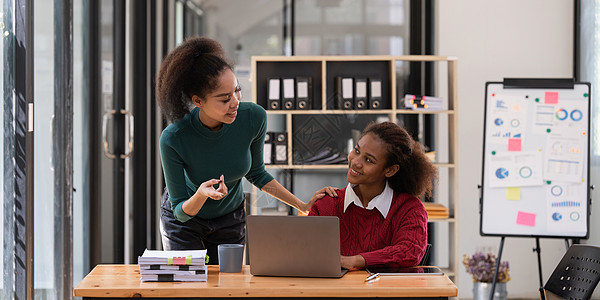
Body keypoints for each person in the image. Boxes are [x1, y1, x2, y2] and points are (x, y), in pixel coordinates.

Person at [156, 36, 323, 264]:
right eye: (224, 99)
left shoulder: (253, 117)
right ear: (198, 101)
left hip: (230, 217)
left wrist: (302, 206)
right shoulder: (174, 138)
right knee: (189, 289)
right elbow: (180, 211)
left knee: (228, 285)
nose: (235, 102)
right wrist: (202, 194)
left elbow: (257, 173)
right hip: (185, 222)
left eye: (237, 90)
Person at [309, 121, 438, 270]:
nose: (356, 162)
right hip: (335, 293)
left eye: (368, 160)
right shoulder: (326, 204)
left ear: (390, 170)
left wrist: (357, 261)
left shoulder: (409, 208)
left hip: (389, 293)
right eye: (357, 151)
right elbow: (309, 255)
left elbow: (410, 251)